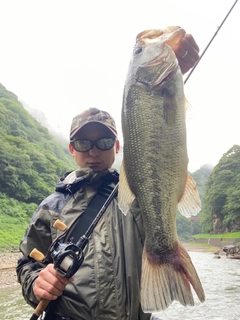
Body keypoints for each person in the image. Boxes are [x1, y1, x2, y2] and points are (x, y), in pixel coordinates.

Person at [16, 33, 200, 320]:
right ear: (71, 148)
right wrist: (36, 283)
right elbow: (26, 262)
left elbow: (159, 153)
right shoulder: (51, 207)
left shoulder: (137, 194)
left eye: (103, 142)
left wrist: (171, 78)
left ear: (116, 147)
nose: (93, 151)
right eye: (83, 143)